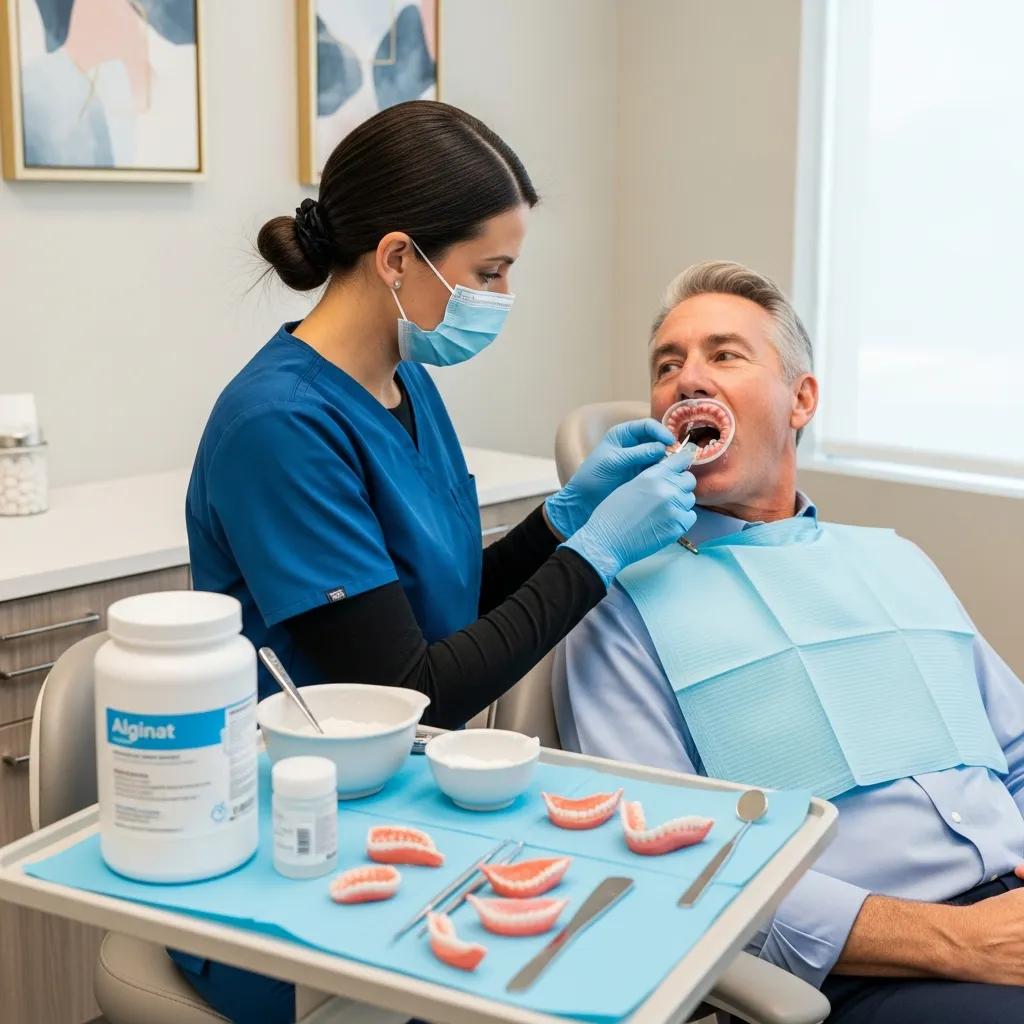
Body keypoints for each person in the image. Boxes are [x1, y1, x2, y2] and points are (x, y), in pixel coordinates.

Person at [179, 100, 699, 1023]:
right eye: (488, 272)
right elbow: (410, 688)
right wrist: (597, 554)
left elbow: (444, 606)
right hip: (290, 855)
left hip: (399, 807)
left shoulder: (403, 379)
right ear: (396, 259)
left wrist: (562, 520)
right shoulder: (280, 426)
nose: (501, 295)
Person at [554, 260, 1024, 1024]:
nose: (687, 379)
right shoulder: (618, 605)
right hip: (873, 971)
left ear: (801, 399)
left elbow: (1017, 747)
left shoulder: (895, 558)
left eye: (724, 354)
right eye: (667, 366)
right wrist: (956, 941)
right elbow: (675, 857)